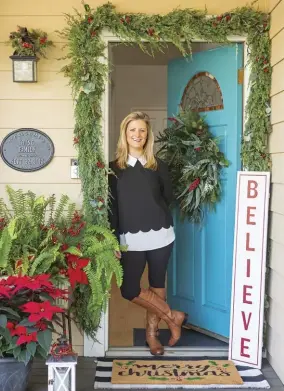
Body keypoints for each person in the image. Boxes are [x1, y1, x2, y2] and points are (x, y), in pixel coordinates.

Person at [108, 111, 187, 356]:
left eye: (142, 130)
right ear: (125, 134)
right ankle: (173, 317)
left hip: (161, 234)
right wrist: (112, 239)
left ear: (148, 135)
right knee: (129, 289)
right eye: (132, 130)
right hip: (129, 238)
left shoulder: (158, 166)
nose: (137, 135)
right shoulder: (113, 170)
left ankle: (152, 336)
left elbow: (168, 198)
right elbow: (111, 209)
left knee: (156, 283)